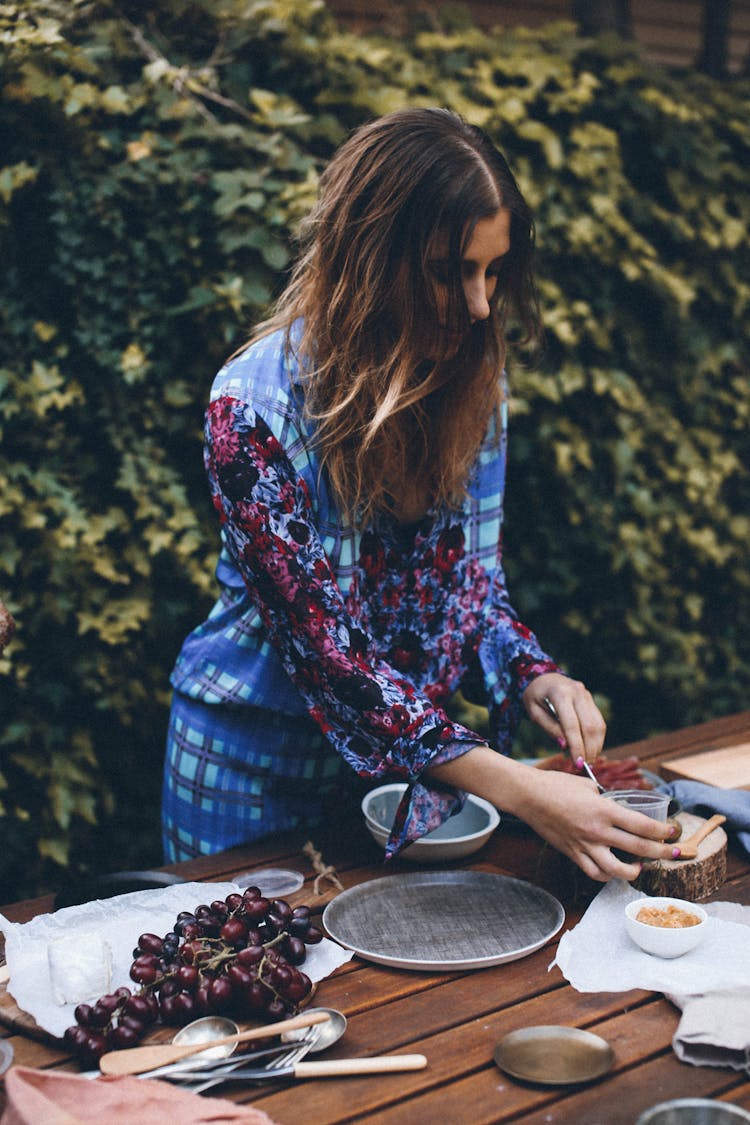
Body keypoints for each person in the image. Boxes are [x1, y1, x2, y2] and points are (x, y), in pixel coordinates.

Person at [163, 106, 677, 882]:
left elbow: (473, 587)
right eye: (449, 270)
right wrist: (526, 789)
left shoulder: (477, 385)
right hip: (248, 788)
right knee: (252, 994)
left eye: (492, 271)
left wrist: (531, 673)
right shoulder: (253, 410)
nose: (478, 305)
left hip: (406, 792)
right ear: (370, 258)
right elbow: (333, 660)